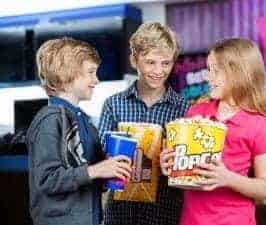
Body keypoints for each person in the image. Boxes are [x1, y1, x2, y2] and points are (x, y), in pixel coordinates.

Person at [160, 38, 266, 225]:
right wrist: (170, 166)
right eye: (209, 69)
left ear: (239, 73)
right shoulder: (195, 112)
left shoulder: (258, 124)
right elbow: (184, 177)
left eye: (216, 71)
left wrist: (227, 178)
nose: (209, 77)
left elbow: (265, 187)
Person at [26, 37, 132, 225]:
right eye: (91, 72)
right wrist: (97, 170)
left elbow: (88, 176)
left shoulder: (85, 122)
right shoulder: (50, 120)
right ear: (67, 74)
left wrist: (109, 169)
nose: (96, 81)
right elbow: (47, 180)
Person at [98, 22, 190, 225]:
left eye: (165, 63)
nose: (158, 70)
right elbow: (99, 162)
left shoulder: (184, 110)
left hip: (165, 216)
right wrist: (108, 160)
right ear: (134, 59)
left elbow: (188, 174)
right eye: (150, 62)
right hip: (120, 216)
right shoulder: (114, 105)